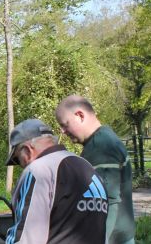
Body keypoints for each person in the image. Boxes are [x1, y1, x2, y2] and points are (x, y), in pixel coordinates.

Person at [5, 118, 108, 244]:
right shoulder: (88, 168)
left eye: (18, 159)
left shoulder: (39, 170)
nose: (21, 165)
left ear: (27, 150)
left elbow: (27, 238)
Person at [56, 95, 135, 244]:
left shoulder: (100, 146)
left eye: (65, 124)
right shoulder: (104, 139)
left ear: (79, 115)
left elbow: (108, 203)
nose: (63, 131)